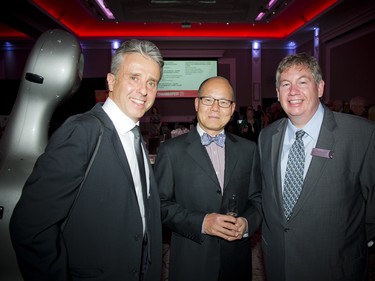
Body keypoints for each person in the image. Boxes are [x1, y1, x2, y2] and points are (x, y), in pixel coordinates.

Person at [9, 39, 164, 281]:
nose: (143, 90)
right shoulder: (82, 131)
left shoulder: (134, 135)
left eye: (152, 82)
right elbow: (31, 227)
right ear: (111, 81)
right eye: (134, 77)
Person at [258, 52, 375, 281]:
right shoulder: (267, 136)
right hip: (278, 265)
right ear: (277, 93)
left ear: (320, 88)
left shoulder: (361, 135)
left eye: (302, 82)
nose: (293, 91)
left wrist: (350, 245)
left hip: (335, 267)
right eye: (285, 84)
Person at [154, 76, 262, 281]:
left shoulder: (249, 150)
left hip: (236, 261)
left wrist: (247, 224)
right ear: (196, 103)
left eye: (223, 102)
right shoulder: (171, 151)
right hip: (192, 261)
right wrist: (202, 222)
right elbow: (159, 205)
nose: (215, 108)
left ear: (232, 109)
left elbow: (257, 199)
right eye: (208, 100)